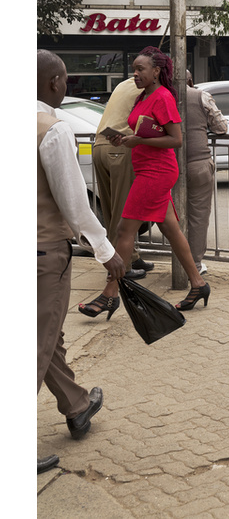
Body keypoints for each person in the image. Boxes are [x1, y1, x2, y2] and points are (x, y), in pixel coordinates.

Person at [37, 50, 126, 474]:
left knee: (45, 333)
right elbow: (74, 204)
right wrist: (107, 253)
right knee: (33, 345)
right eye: (65, 80)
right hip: (41, 252)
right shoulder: (51, 131)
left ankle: (76, 406)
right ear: (54, 82)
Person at [79, 46, 210, 317]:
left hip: (157, 172)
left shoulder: (162, 97)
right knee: (172, 231)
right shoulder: (142, 97)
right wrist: (126, 140)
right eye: (134, 69)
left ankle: (110, 293)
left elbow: (176, 140)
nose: (135, 74)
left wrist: (139, 140)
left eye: (140, 69)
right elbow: (144, 133)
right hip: (146, 169)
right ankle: (198, 284)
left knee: (124, 232)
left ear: (156, 72)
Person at [91, 77, 154, 278]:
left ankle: (131, 257)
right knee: (123, 211)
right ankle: (122, 267)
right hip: (119, 146)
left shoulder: (124, 84)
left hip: (100, 146)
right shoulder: (149, 86)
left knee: (110, 209)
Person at [184, 70, 229, 273]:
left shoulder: (161, 95)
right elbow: (221, 128)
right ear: (191, 81)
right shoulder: (200, 95)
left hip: (169, 165)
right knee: (198, 216)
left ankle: (179, 261)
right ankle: (194, 264)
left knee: (173, 216)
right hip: (198, 163)